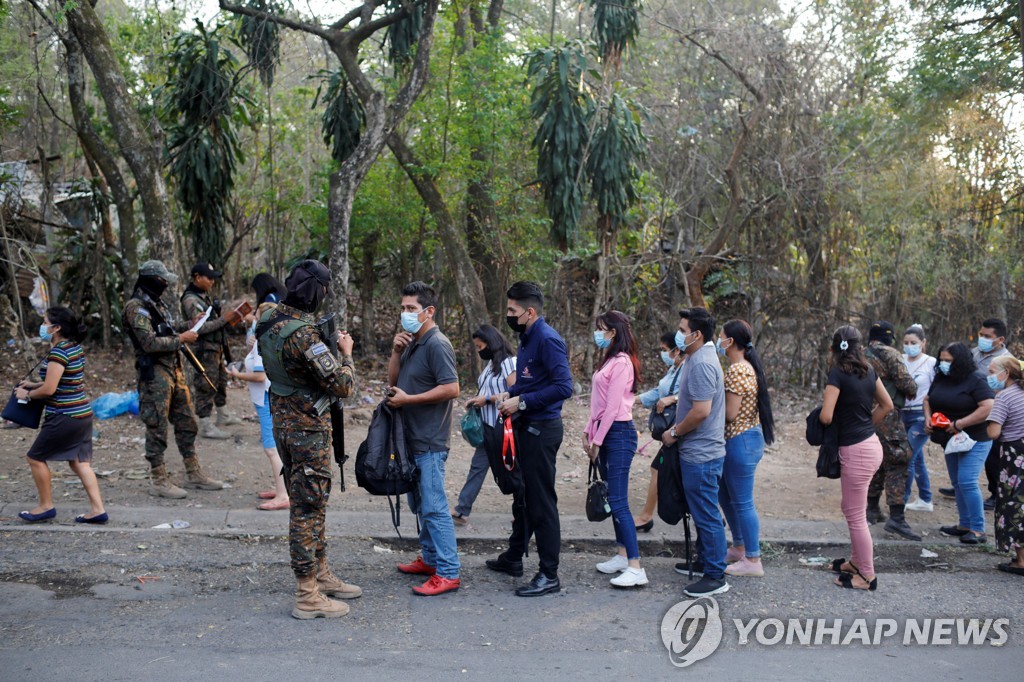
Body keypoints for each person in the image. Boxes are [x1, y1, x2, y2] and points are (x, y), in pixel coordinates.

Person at [257, 259, 361, 618]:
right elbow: (342, 386)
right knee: (307, 509)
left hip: (283, 426)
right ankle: (307, 594)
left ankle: (321, 574)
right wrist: (345, 354)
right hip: (307, 433)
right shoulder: (304, 335)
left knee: (312, 504)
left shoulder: (268, 319)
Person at [487, 281, 574, 597]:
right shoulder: (526, 337)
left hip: (542, 430)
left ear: (530, 312)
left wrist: (521, 402)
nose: (508, 315)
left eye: (512, 311)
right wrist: (509, 395)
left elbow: (564, 387)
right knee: (523, 498)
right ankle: (514, 557)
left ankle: (549, 574)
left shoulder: (548, 340)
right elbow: (533, 382)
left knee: (541, 503)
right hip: (526, 426)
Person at [124, 260, 223, 498]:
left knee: (187, 422)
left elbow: (167, 329)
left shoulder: (155, 304)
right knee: (157, 425)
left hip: (174, 370)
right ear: (151, 280)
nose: (165, 284)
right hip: (154, 375)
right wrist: (183, 339)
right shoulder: (136, 307)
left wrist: (189, 325)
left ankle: (193, 472)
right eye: (162, 280)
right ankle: (159, 478)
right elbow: (149, 343)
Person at [389, 281, 462, 596]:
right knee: (418, 503)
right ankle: (430, 559)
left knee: (434, 505)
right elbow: (394, 382)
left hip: (430, 440)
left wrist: (409, 401)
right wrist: (395, 352)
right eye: (403, 308)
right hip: (410, 439)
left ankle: (448, 571)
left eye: (411, 309)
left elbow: (452, 388)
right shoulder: (412, 342)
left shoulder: (437, 343)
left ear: (429, 311)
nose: (405, 314)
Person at [661, 307, 729, 598]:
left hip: (702, 454)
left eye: (682, 329)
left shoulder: (701, 363)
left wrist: (674, 433)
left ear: (697, 334)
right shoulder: (696, 356)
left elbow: (701, 411)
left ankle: (715, 575)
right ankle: (704, 562)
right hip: (697, 452)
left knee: (707, 514)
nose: (679, 334)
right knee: (701, 511)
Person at [15, 307, 106, 524]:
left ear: (56, 328)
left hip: (64, 416)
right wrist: (34, 384)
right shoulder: (74, 348)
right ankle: (97, 510)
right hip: (82, 414)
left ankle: (46, 506)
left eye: (45, 322)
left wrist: (26, 394)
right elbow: (66, 380)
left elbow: (49, 390)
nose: (42, 326)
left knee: (35, 457)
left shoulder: (58, 352)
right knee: (80, 463)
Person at [819, 326, 893, 591]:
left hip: (856, 450)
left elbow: (826, 416)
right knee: (852, 509)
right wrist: (866, 427)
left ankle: (867, 576)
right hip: (870, 445)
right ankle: (856, 561)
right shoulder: (869, 371)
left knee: (855, 515)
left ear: (834, 347)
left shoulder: (838, 373)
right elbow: (887, 404)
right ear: (859, 346)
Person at [586, 311, 644, 587]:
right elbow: (597, 403)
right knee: (612, 495)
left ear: (613, 331)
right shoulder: (608, 359)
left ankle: (635, 565)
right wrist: (589, 430)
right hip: (606, 431)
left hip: (619, 433)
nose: (598, 333)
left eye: (601, 329)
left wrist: (597, 440)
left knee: (618, 500)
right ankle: (622, 554)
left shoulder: (622, 363)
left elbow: (612, 408)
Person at [717, 319, 775, 578]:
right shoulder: (740, 368)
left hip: (740, 440)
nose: (718, 340)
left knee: (742, 502)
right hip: (740, 440)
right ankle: (739, 546)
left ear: (731, 341)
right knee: (725, 496)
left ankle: (753, 559)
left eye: (721, 336)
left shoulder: (739, 370)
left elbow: (730, 413)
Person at [924, 342, 994, 545]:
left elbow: (988, 406)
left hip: (976, 438)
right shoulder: (942, 377)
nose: (944, 364)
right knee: (957, 482)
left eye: (949, 361)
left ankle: (978, 529)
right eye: (942, 360)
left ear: (961, 361)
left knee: (967, 480)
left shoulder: (976, 380)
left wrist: (960, 424)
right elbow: (928, 399)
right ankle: (965, 524)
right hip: (951, 439)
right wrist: (928, 418)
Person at [451, 324, 516, 526]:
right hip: (487, 426)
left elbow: (515, 393)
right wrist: (476, 400)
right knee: (477, 467)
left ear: (491, 343)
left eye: (480, 347)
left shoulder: (509, 363)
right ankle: (462, 510)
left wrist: (487, 400)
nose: (479, 351)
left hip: (503, 427)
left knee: (512, 469)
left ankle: (523, 508)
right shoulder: (490, 365)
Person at [227, 301, 288, 511]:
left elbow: (260, 375)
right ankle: (283, 487)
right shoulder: (267, 339)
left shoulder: (264, 342)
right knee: (276, 448)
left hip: (265, 400)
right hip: (266, 399)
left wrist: (237, 375)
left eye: (255, 314)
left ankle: (283, 495)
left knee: (272, 449)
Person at [864, 321, 921, 541]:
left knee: (875, 461)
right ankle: (897, 518)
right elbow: (907, 384)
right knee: (898, 461)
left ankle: (872, 508)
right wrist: (912, 389)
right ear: (890, 337)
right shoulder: (890, 353)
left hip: (863, 416)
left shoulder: (859, 353)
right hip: (886, 414)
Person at [181, 263, 242, 439]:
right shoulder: (191, 300)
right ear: (197, 277)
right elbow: (199, 327)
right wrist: (224, 319)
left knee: (221, 381)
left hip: (215, 348)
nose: (212, 282)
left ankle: (223, 414)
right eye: (209, 278)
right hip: (203, 349)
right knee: (205, 384)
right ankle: (206, 425)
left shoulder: (203, 297)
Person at [633, 331, 686, 531]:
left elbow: (693, 394)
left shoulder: (689, 368)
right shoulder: (674, 369)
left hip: (679, 432)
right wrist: (635, 400)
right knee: (657, 469)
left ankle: (709, 522)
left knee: (682, 480)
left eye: (665, 350)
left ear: (676, 349)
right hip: (671, 433)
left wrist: (673, 399)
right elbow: (659, 392)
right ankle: (646, 515)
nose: (662, 354)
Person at [986, 355, 1024, 576]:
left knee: (1014, 505)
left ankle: (1021, 560)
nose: (989, 377)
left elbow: (994, 432)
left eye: (992, 372)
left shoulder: (1004, 397)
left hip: (1013, 456)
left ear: (1006, 373)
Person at [902, 325, 936, 512]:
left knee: (907, 457)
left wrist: (930, 416)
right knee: (916, 457)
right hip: (902, 413)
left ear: (923, 343)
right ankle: (925, 499)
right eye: (906, 343)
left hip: (920, 415)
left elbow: (935, 391)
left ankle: (900, 502)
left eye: (913, 343)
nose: (909, 346)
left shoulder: (931, 363)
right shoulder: (900, 360)